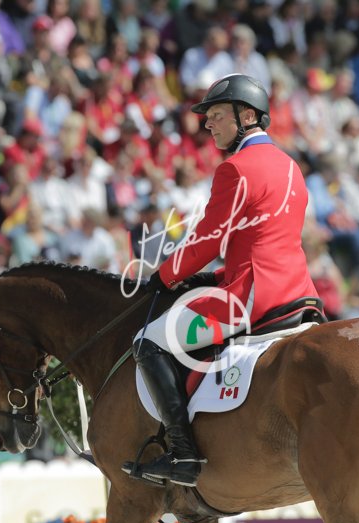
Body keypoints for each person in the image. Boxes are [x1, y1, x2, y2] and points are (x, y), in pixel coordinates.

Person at [122, 74, 320, 487]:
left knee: (149, 341)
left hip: (251, 299)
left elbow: (208, 239)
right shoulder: (291, 167)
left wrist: (164, 275)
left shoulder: (236, 169)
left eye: (215, 115)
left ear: (246, 116)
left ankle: (183, 454)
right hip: (301, 294)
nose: (207, 123)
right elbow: (265, 240)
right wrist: (212, 276)